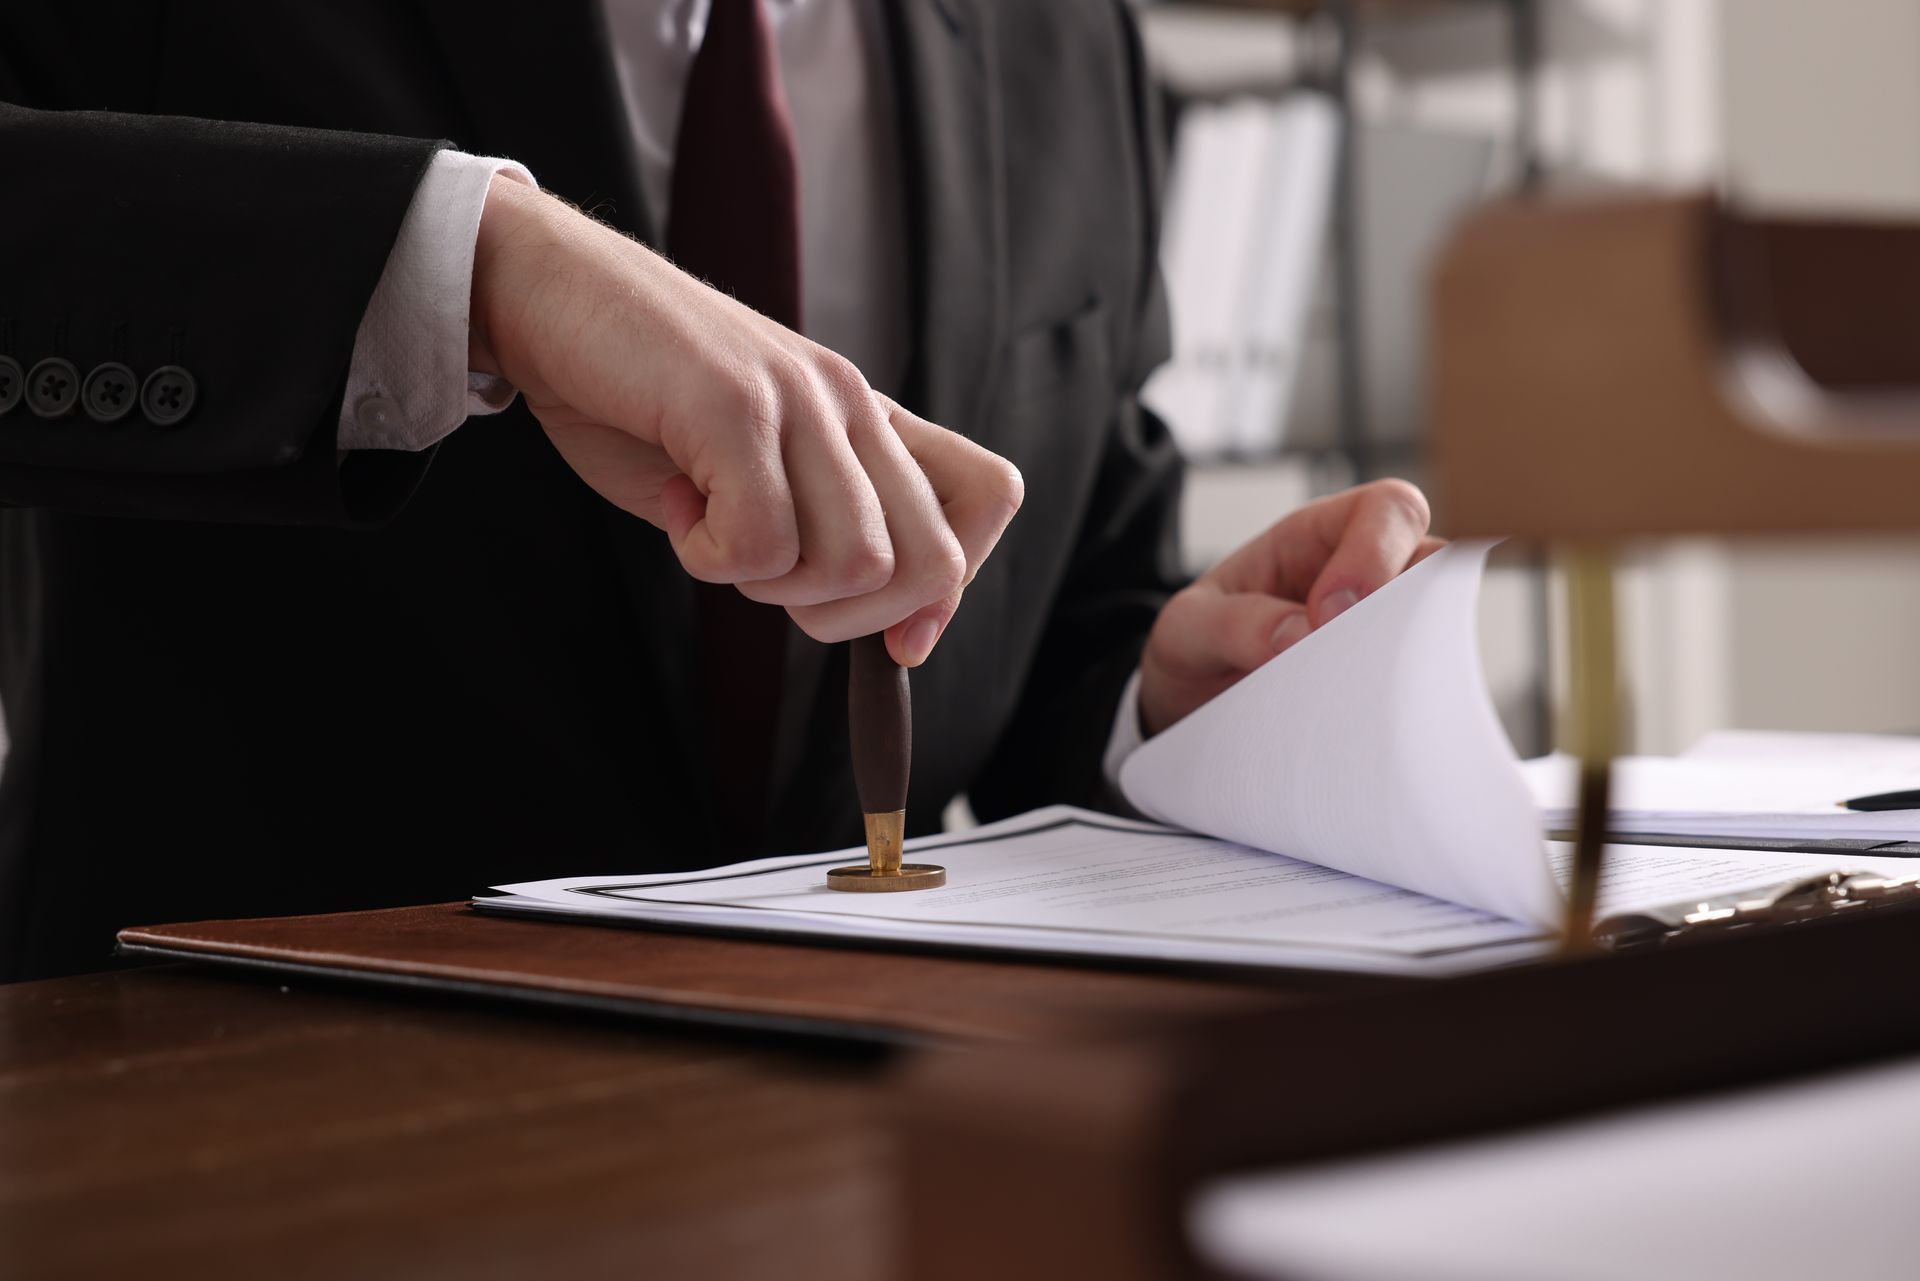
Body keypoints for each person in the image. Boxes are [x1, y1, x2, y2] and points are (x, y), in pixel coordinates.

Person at [0, 0, 1436, 980]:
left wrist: (1160, 700)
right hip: (235, 1113)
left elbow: (1060, 601)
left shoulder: (1058, 29)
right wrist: (470, 262)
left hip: (869, 1141)